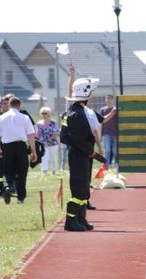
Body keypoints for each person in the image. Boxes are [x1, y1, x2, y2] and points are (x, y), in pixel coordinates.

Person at [62, 77, 100, 231]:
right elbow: (77, 138)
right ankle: (71, 222)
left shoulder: (73, 111)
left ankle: (81, 219)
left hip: (80, 154)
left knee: (83, 187)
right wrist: (89, 151)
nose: (91, 95)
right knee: (79, 188)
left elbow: (66, 136)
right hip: (80, 155)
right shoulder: (78, 114)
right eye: (90, 92)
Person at [0, 96, 37, 204]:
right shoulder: (24, 117)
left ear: (9, 105)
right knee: (22, 172)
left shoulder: (2, 117)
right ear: (19, 105)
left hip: (7, 147)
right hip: (20, 146)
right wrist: (33, 151)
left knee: (8, 171)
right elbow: (31, 135)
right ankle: (20, 198)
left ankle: (8, 187)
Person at [36, 107, 60, 175]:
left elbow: (57, 133)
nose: (43, 114)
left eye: (45, 113)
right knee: (44, 158)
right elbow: (37, 135)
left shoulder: (53, 123)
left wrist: (59, 143)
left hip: (53, 143)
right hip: (43, 144)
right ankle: (44, 172)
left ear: (49, 114)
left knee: (54, 158)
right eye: (42, 113)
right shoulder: (39, 124)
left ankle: (54, 171)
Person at [100, 94, 118, 168]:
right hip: (106, 133)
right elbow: (100, 122)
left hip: (115, 133)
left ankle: (116, 165)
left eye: (109, 99)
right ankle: (106, 166)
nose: (108, 100)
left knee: (115, 150)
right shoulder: (103, 110)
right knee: (107, 150)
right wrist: (100, 135)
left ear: (112, 100)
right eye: (106, 99)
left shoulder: (116, 109)